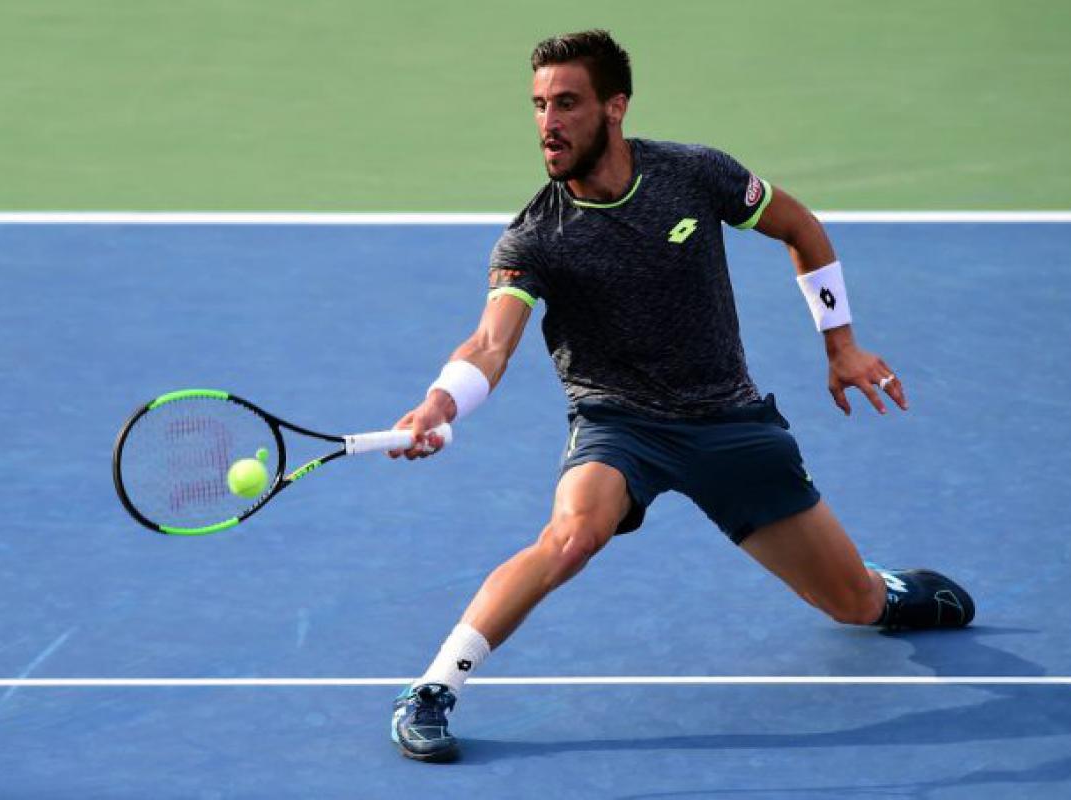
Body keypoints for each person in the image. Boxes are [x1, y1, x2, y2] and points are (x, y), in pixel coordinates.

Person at [387, 29, 974, 763]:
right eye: (538, 105)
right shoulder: (535, 238)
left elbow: (798, 226)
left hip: (730, 420)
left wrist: (841, 345)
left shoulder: (694, 174)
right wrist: (441, 401)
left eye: (567, 103)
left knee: (851, 605)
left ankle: (882, 592)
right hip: (620, 424)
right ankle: (432, 690)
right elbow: (489, 343)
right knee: (572, 536)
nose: (548, 123)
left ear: (615, 107)